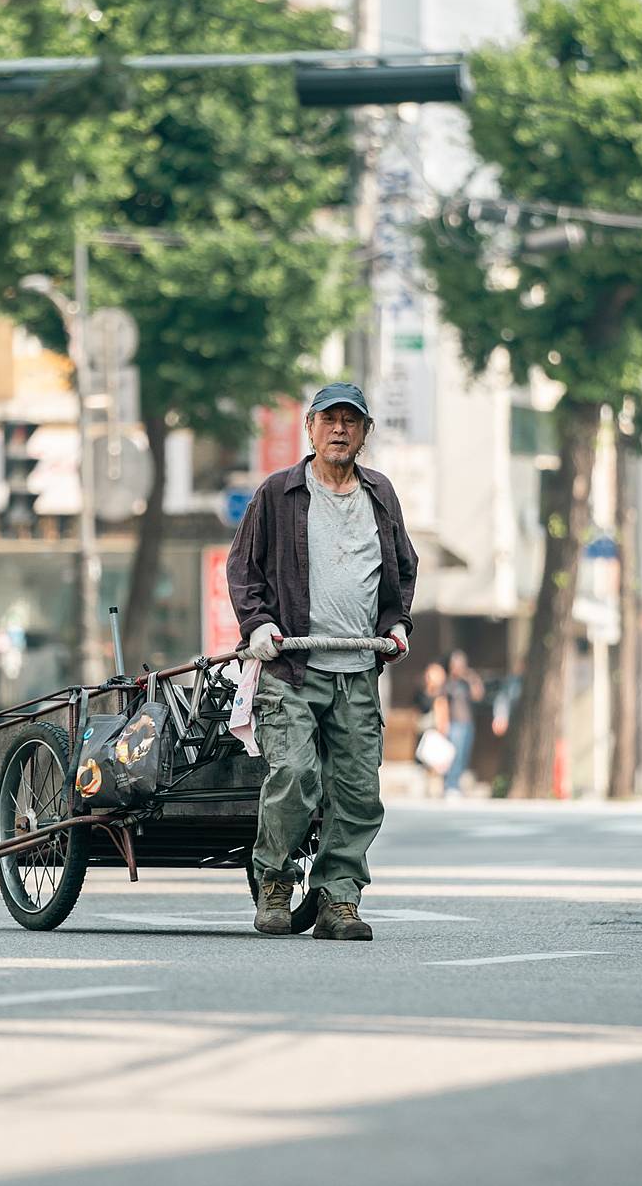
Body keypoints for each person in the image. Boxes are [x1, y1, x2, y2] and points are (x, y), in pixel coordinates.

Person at [228, 382, 417, 942]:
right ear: (309, 429)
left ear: (364, 433)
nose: (339, 429)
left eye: (350, 421)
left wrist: (397, 624)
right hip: (292, 668)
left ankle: (339, 900)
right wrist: (257, 624)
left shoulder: (380, 494)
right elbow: (243, 568)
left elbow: (402, 569)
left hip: (358, 669)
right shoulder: (278, 492)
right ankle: (274, 883)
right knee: (295, 774)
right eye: (329, 419)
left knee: (358, 791)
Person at [441, 649, 484, 798]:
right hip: (454, 724)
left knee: (464, 755)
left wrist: (471, 677)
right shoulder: (448, 683)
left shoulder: (466, 683)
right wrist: (443, 724)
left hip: (468, 724)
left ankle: (456, 784)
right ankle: (450, 785)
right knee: (454, 757)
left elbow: (478, 695)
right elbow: (442, 704)